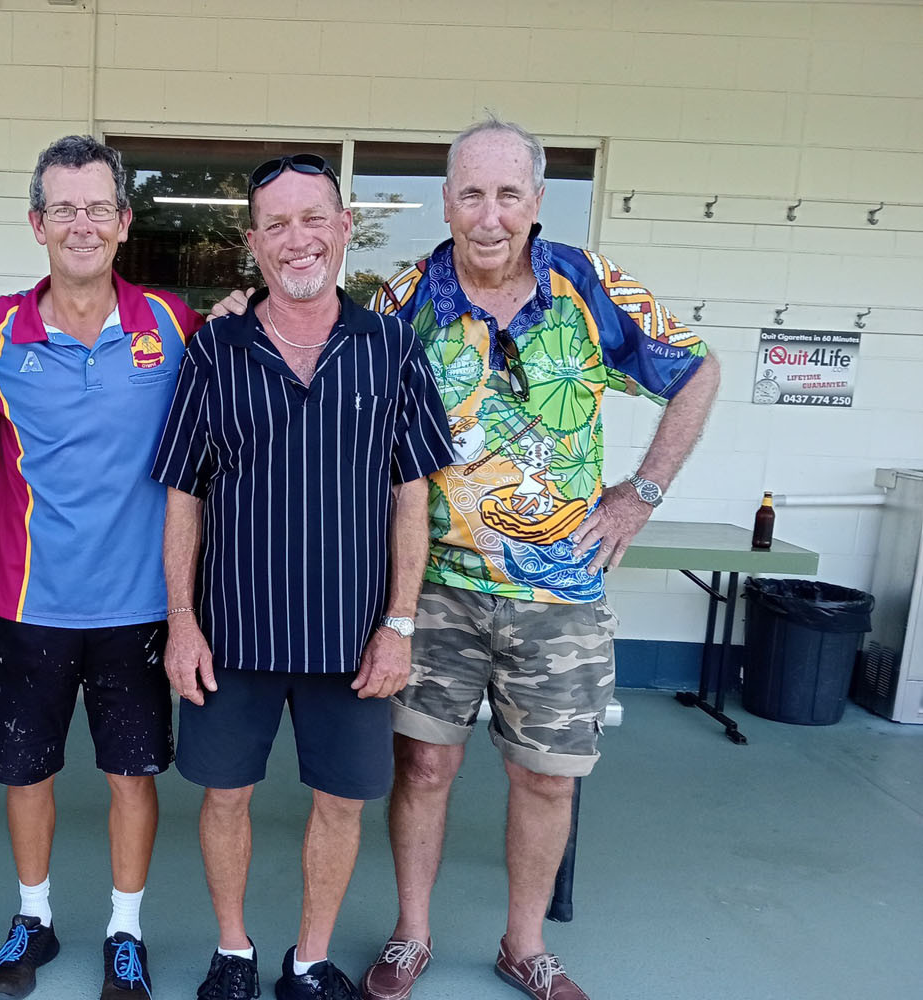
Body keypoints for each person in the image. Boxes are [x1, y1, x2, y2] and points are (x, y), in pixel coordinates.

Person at [354, 119, 721, 1000]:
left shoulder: (588, 288)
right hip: (434, 587)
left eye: (507, 193)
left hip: (561, 596)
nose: (488, 215)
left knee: (545, 778)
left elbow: (698, 370)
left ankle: (525, 944)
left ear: (536, 202)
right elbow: (341, 403)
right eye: (471, 193)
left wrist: (642, 490)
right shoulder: (402, 305)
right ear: (444, 200)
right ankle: (412, 934)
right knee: (425, 767)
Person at [152, 153, 454, 1000]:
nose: (297, 239)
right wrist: (182, 619)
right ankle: (235, 949)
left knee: (342, 803)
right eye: (276, 224)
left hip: (354, 638)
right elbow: (183, 493)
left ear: (344, 228)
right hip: (234, 632)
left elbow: (411, 498)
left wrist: (399, 625)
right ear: (253, 242)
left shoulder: (392, 349)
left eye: (313, 217)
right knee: (224, 798)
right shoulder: (215, 349)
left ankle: (310, 959)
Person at [0, 135, 204, 1000]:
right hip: (30, 600)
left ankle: (124, 933)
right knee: (27, 769)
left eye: (99, 207)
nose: (83, 224)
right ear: (36, 223)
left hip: (139, 604)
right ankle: (34, 919)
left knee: (133, 773)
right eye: (64, 208)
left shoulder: (175, 326)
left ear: (125, 222)